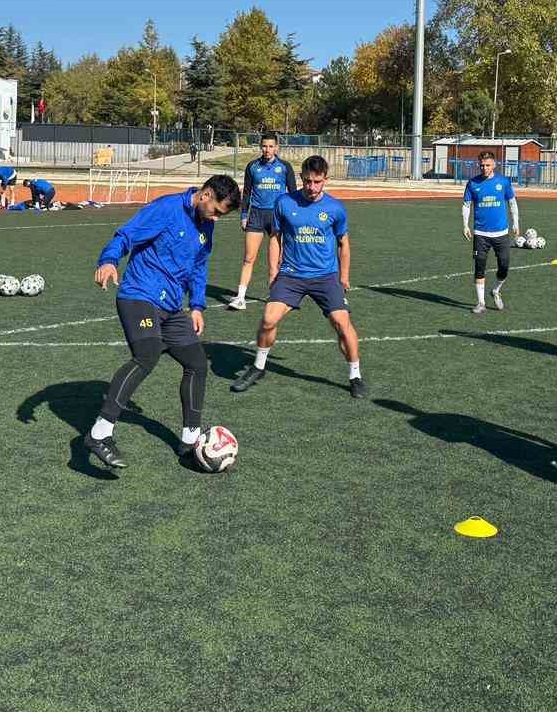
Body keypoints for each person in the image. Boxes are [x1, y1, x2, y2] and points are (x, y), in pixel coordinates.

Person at [83, 175, 242, 470]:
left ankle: (190, 439)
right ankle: (99, 434)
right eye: (217, 211)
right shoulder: (167, 209)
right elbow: (126, 235)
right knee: (147, 355)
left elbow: (198, 265)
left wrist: (196, 305)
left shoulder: (206, 225)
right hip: (139, 296)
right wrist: (108, 260)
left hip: (171, 308)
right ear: (205, 194)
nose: (217, 219)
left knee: (197, 363)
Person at [231, 155, 365, 398]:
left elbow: (343, 244)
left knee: (342, 324)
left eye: (317, 182)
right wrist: (273, 271)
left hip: (325, 276)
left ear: (326, 180)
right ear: (302, 178)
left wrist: (344, 276)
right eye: (307, 181)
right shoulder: (284, 203)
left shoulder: (335, 208)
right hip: (291, 275)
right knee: (269, 318)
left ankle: (355, 375)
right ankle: (258, 366)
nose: (312, 187)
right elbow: (275, 238)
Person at [227, 133, 297, 311]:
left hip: (276, 217)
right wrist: (244, 215)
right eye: (264, 146)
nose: (267, 150)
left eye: (271, 146)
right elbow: (247, 193)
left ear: (277, 147)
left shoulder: (285, 167)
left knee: (275, 263)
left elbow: (293, 194)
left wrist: (292, 216)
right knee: (249, 258)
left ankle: (275, 297)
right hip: (256, 216)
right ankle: (240, 298)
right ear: (260, 147)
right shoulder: (252, 166)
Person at [463, 150, 521, 313]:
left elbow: (512, 202)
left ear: (494, 165)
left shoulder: (503, 182)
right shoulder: (472, 183)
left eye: (487, 165)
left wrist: (516, 222)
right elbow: (466, 205)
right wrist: (465, 225)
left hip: (501, 234)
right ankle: (481, 303)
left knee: (504, 266)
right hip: (480, 234)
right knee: (479, 266)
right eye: (482, 165)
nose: (484, 168)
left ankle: (495, 290)